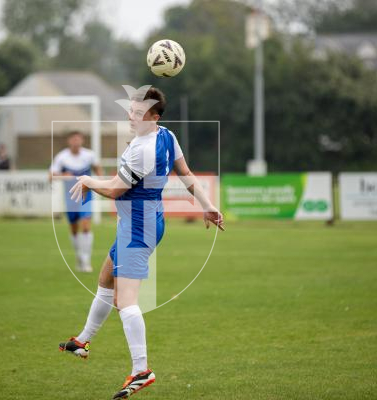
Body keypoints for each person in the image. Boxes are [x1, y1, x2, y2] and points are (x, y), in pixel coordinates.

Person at [59, 87, 224, 399]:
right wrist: (207, 204)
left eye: (137, 112)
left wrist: (87, 180)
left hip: (138, 227)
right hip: (141, 223)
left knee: (127, 301)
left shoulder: (144, 149)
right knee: (105, 278)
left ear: (154, 117)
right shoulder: (166, 136)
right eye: (131, 110)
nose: (130, 116)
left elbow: (116, 190)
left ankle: (141, 370)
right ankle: (82, 341)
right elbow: (186, 174)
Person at [50, 131, 103, 272]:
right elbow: (51, 176)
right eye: (73, 139)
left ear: (82, 140)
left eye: (78, 139)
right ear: (69, 141)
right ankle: (80, 256)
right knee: (74, 229)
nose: (76, 142)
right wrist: (62, 175)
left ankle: (86, 260)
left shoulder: (89, 155)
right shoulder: (62, 157)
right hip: (70, 197)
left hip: (86, 195)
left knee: (85, 225)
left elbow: (98, 170)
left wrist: (102, 184)